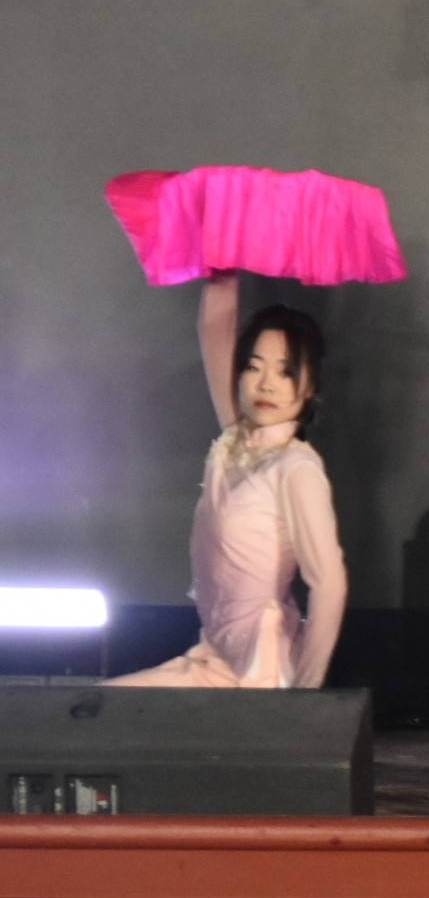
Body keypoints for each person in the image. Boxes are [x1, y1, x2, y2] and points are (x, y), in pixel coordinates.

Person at [111, 272, 347, 689]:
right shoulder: (235, 442)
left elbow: (329, 584)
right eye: (253, 367)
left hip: (259, 673)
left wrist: (305, 697)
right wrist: (225, 255)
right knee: (91, 712)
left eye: (285, 371)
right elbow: (214, 327)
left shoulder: (296, 468)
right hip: (214, 661)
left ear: (310, 384)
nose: (266, 383)